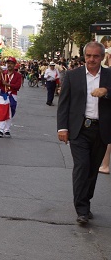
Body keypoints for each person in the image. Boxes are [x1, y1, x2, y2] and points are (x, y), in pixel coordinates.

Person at [57, 41, 111, 225]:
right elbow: (64, 103)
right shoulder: (73, 76)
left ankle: (85, 201)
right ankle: (81, 209)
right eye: (88, 56)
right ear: (84, 56)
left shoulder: (109, 76)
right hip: (79, 130)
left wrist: (106, 92)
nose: (92, 59)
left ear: (102, 57)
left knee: (92, 170)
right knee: (82, 167)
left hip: (101, 131)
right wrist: (62, 128)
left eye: (96, 56)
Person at [0, 57, 22, 138]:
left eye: (11, 63)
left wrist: (8, 84)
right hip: (3, 95)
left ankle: (7, 129)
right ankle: (1, 130)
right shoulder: (3, 73)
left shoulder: (18, 75)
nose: (10, 65)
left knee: (10, 113)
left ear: (14, 65)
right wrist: (0, 75)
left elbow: (18, 86)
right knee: (2, 112)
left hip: (12, 96)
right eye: (8, 63)